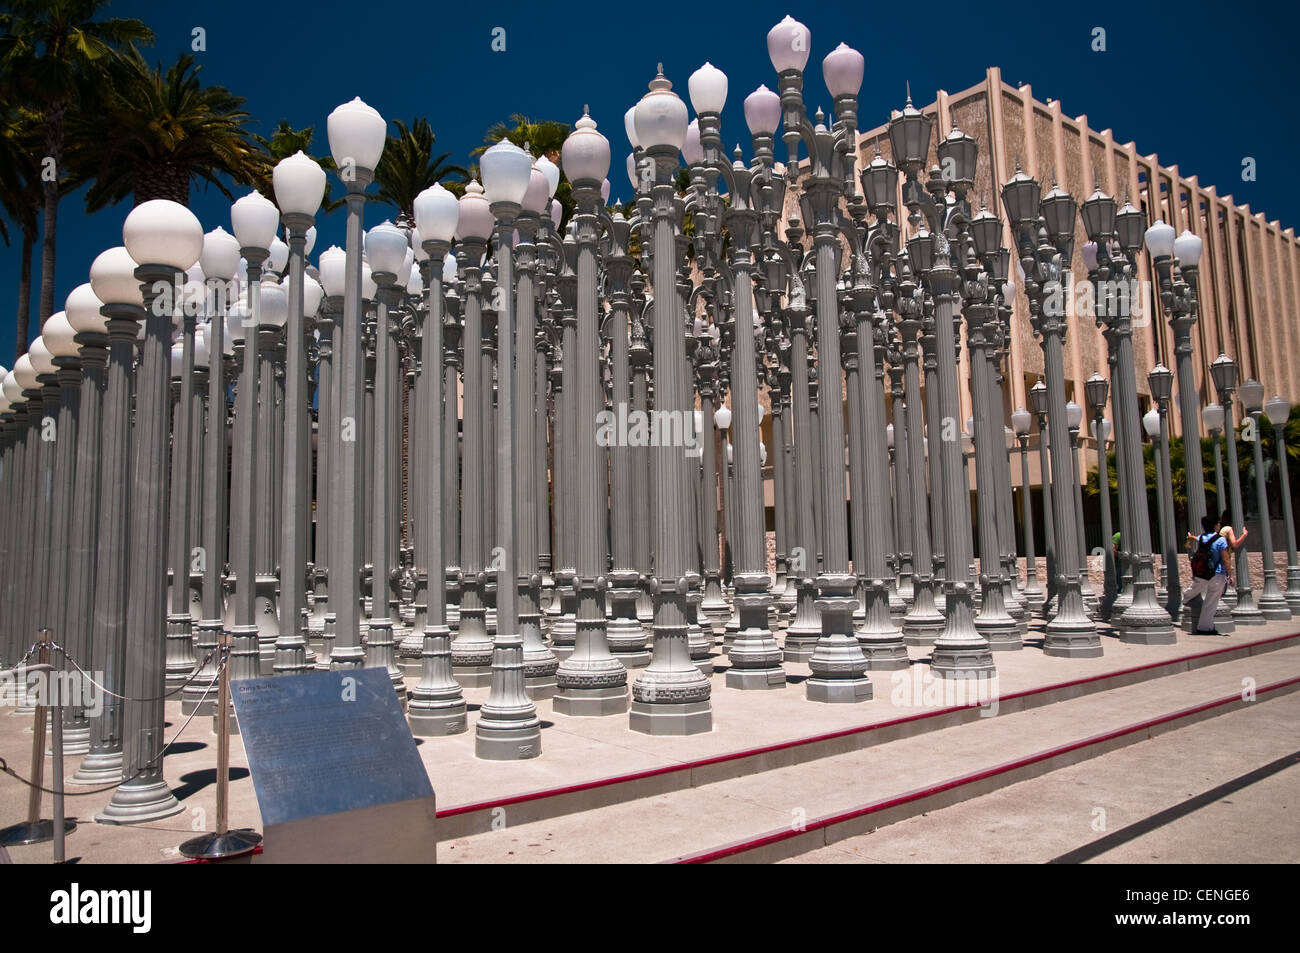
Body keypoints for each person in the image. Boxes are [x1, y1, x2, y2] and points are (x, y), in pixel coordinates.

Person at [1181, 511, 1245, 634]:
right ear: (1215, 525)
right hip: (1217, 574)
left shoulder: (1202, 538)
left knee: (1196, 587)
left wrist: (1191, 536)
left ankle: (1185, 597)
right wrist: (1230, 575)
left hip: (1202, 572)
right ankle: (1205, 627)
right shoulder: (1220, 540)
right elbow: (1226, 559)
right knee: (1211, 602)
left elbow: (1197, 538)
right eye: (1218, 523)